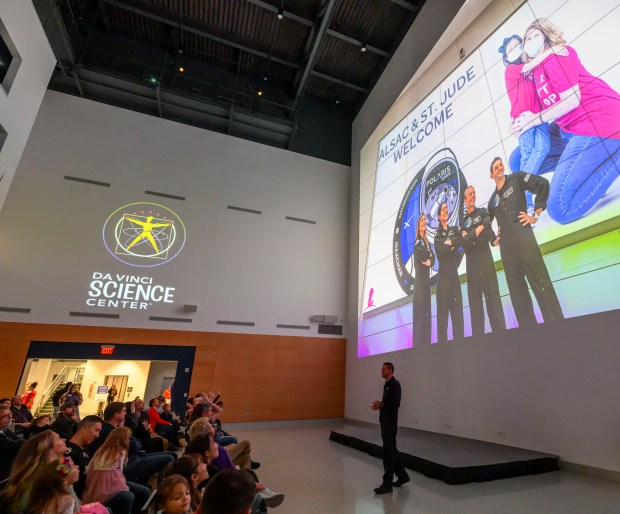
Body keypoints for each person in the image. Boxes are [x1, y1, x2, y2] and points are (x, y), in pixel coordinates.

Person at [511, 18, 620, 225]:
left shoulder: (558, 55)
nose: (531, 41)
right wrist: (516, 123)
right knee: (517, 161)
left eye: (536, 35)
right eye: (527, 38)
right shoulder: (534, 72)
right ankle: (588, 161)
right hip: (569, 129)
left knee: (560, 208)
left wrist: (535, 119)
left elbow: (572, 99)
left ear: (547, 36)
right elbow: (530, 106)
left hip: (599, 122)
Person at [487, 157, 564, 326]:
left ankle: (558, 328)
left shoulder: (517, 178)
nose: (500, 168)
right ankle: (530, 336)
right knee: (517, 293)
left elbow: (542, 184)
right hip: (507, 248)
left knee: (540, 281)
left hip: (524, 237)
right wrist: (494, 239)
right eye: (496, 167)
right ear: (491, 175)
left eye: (501, 166)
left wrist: (535, 215)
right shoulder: (492, 201)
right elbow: (486, 223)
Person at [500, 34, 550, 217]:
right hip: (522, 119)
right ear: (506, 57)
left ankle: (520, 192)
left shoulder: (527, 67)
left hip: (538, 116)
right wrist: (549, 51)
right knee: (529, 154)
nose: (515, 50)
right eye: (510, 49)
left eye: (517, 46)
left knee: (542, 148)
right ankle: (525, 201)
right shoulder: (512, 70)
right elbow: (530, 65)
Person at [461, 186, 506, 336]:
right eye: (470, 194)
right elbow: (465, 243)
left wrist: (476, 237)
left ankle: (501, 337)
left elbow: (487, 230)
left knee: (494, 300)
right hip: (472, 267)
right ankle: (478, 344)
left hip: (486, 262)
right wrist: (476, 232)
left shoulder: (482, 212)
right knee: (475, 305)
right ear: (465, 200)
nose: (473, 196)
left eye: (474, 193)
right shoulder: (462, 223)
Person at [83, 426, 150, 514]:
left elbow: (89, 467)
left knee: (140, 491)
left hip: (95, 484)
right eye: (128, 438)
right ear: (123, 439)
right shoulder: (121, 451)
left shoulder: (101, 449)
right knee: (139, 492)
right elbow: (120, 471)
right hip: (112, 483)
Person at [1, 430, 69, 512]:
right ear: (48, 449)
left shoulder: (61, 469)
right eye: (59, 439)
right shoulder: (36, 481)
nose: (64, 439)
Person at [370, 362, 409, 494]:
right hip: (385, 422)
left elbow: (396, 403)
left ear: (390, 370)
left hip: (390, 424)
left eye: (384, 369)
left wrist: (382, 404)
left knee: (388, 454)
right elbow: (387, 404)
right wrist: (381, 405)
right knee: (392, 450)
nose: (381, 370)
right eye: (381, 368)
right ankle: (403, 476)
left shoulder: (394, 384)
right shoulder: (387, 384)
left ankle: (387, 485)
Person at [434, 202, 465, 342]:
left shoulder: (454, 229)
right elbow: (440, 253)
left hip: (454, 279)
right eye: (443, 209)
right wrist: (451, 245)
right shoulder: (437, 236)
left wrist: (450, 243)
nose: (446, 210)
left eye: (447, 208)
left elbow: (459, 239)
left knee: (458, 318)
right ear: (440, 216)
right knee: (442, 321)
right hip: (443, 282)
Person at [66, 415, 104, 498]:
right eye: (96, 430)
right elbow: (63, 480)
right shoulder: (68, 453)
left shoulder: (85, 449)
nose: (97, 435)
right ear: (84, 429)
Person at [413, 213, 435, 344]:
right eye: (422, 220)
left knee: (427, 314)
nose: (424, 222)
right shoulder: (417, 243)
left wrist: (430, 260)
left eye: (425, 220)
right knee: (420, 315)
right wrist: (429, 257)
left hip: (426, 283)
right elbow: (424, 255)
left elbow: (433, 259)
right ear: (418, 224)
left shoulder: (427, 243)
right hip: (420, 284)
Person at [0, 404, 25, 480]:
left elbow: (19, 441)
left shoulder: (6, 430)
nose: (10, 417)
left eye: (10, 414)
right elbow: (16, 445)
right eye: (5, 416)